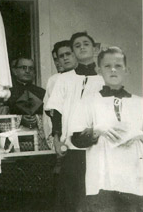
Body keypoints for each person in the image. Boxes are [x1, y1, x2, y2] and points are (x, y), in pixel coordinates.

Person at [70, 47, 143, 211]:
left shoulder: (139, 103)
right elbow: (76, 139)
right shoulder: (88, 102)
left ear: (127, 70)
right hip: (102, 178)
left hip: (134, 176)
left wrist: (138, 135)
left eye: (118, 65)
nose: (113, 69)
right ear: (99, 70)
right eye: (107, 66)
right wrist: (97, 131)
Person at [46, 32, 104, 211]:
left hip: (98, 145)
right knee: (72, 195)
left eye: (86, 44)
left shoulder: (104, 79)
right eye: (77, 46)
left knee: (96, 194)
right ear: (73, 51)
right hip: (71, 147)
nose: (82, 47)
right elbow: (56, 111)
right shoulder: (64, 79)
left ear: (96, 49)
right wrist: (56, 139)